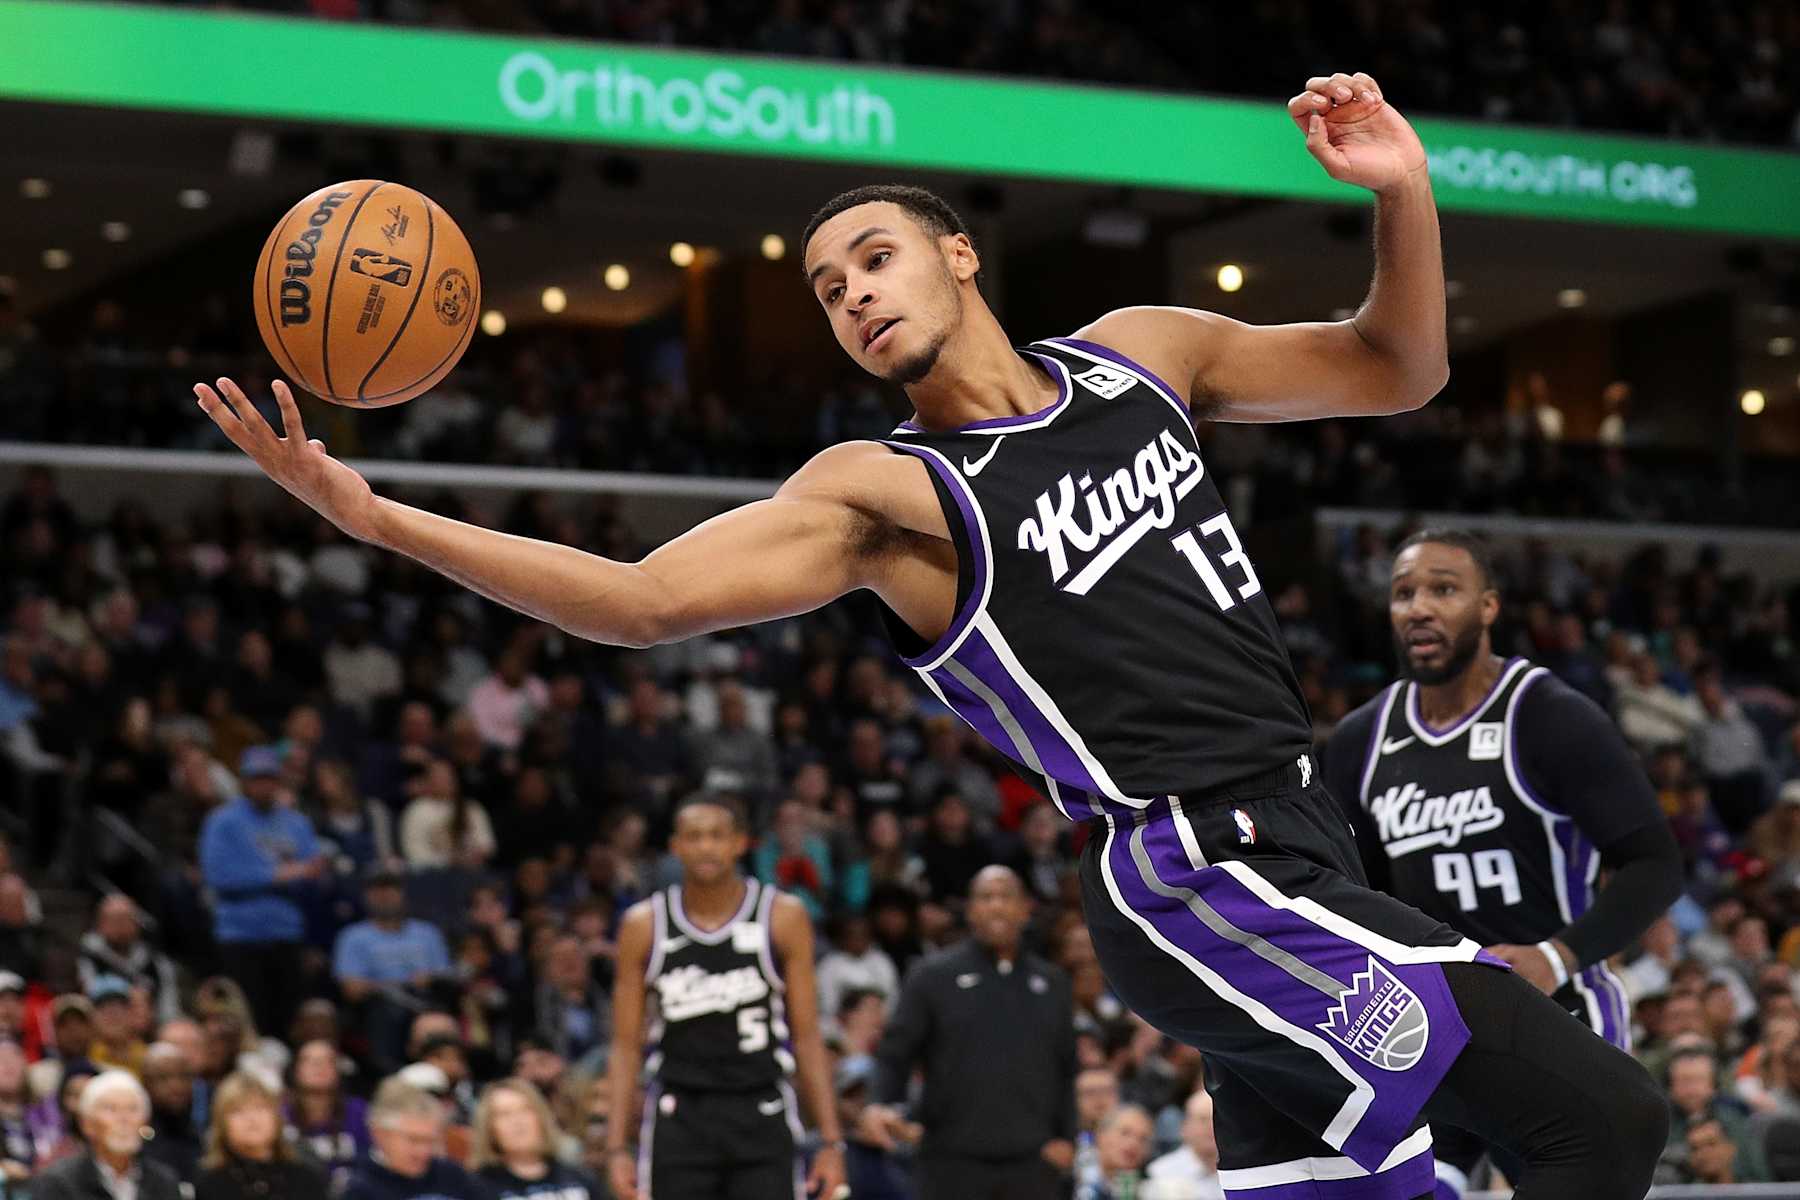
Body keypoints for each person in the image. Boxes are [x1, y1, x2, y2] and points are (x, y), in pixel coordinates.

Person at [197, 70, 1667, 1199]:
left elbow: (1398, 366)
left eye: (874, 261)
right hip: (1193, 872)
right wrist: (375, 516)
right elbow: (640, 602)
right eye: (828, 293)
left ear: (959, 255)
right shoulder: (887, 495)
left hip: (1307, 840)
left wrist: (1402, 190)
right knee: (1601, 1110)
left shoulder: (1141, 355)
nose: (851, 299)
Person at [1322, 528, 1684, 1194]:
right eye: (1403, 593)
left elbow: (1655, 863)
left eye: (1443, 588)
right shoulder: (1358, 742)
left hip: (1560, 1011)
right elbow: (1355, 891)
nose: (1419, 607)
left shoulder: (1549, 716)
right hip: (1431, 1029)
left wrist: (1556, 957)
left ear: (1488, 607)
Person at [604, 793, 844, 1200]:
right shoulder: (643, 925)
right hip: (680, 1113)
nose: (706, 846)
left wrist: (831, 1142)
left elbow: (806, 1037)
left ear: (739, 843)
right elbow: (626, 1046)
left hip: (761, 1107)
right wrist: (615, 1149)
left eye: (717, 835)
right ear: (675, 846)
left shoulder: (782, 916)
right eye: (694, 837)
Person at [862, 865, 1076, 1198]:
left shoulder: (1053, 983)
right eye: (986, 897)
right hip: (949, 1160)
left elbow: (1066, 1068)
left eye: (1006, 896)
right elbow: (895, 1053)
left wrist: (1067, 1136)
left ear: (1025, 909)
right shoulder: (931, 976)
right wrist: (881, 1103)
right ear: (971, 911)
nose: (996, 906)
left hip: (1033, 1162)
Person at [198, 745, 324, 1037]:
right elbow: (218, 877)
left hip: (287, 933)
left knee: (288, 1022)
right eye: (257, 778)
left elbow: (313, 871)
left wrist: (298, 874)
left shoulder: (296, 822)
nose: (263, 785)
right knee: (248, 1020)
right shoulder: (223, 821)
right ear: (244, 781)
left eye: (269, 778)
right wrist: (277, 875)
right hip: (241, 935)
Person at [333, 867, 452, 1074]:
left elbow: (446, 975)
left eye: (391, 889)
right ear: (367, 896)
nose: (385, 895)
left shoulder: (427, 933)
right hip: (381, 1004)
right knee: (388, 1011)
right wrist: (395, 985)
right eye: (377, 890)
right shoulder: (353, 936)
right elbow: (350, 989)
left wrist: (430, 978)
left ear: (402, 893)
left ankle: (444, 1073)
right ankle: (390, 1075)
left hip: (427, 1000)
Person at [32, 1071, 181, 1200]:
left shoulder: (165, 1182)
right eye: (111, 1109)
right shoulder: (58, 1182)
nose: (124, 1119)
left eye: (133, 1109)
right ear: (87, 1124)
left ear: (145, 1122)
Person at [340, 1078, 483, 1200]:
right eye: (414, 1140)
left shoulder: (451, 1174)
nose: (424, 1151)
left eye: (430, 1141)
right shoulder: (358, 1187)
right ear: (380, 1135)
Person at [195, 1071, 327, 1200]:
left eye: (260, 1108)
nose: (252, 1118)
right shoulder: (208, 1183)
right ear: (221, 1123)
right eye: (238, 1111)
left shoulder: (306, 1178)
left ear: (277, 1118)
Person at [469, 1078, 599, 1200]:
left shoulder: (579, 1177)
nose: (517, 1121)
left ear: (541, 1117)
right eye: (504, 1114)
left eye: (525, 1110)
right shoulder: (477, 1188)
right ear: (489, 1129)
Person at [76, 895, 180, 1027]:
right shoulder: (86, 957)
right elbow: (86, 998)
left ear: (137, 923)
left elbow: (169, 1009)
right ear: (100, 924)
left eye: (126, 919)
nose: (120, 927)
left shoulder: (155, 962)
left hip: (149, 1033)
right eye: (114, 920)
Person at [287, 1038, 370, 1190]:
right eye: (310, 1061)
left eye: (328, 1061)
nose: (319, 1067)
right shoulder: (279, 1116)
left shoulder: (359, 1111)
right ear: (296, 1070)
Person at [141, 1041, 204, 1185]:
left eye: (183, 1076)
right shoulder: (136, 1141)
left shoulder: (202, 1134)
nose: (176, 1086)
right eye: (163, 1077)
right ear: (146, 1083)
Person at [1145, 1090, 1222, 1200]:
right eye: (1203, 1120)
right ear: (1185, 1127)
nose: (1211, 1127)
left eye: (1216, 1121)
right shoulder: (1161, 1172)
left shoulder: (1239, 1171)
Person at [1077, 1104, 1155, 1200]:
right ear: (1101, 1135)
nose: (1134, 1144)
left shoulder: (1150, 1187)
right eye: (1125, 1133)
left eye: (1143, 1139)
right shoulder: (1070, 1179)